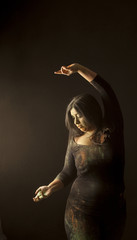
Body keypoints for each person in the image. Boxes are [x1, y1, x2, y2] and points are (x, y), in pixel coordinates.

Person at [33, 63, 126, 240]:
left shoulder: (112, 127)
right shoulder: (75, 140)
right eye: (72, 118)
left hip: (115, 213)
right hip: (81, 213)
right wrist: (50, 187)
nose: (75, 122)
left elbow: (106, 90)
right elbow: (68, 172)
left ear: (91, 111)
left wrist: (79, 69)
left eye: (79, 116)